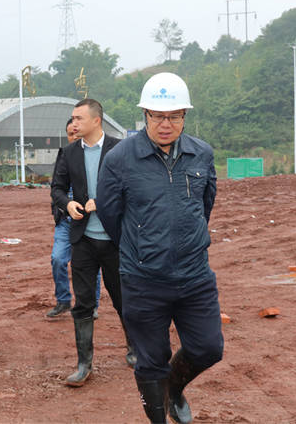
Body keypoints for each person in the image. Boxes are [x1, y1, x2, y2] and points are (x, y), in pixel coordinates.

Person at [97, 73, 223, 424]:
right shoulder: (120, 159)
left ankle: (175, 389)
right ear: (145, 115)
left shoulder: (201, 154)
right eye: (158, 116)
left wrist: (186, 241)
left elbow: (204, 206)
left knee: (208, 348)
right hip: (143, 280)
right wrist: (142, 247)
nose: (166, 124)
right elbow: (110, 214)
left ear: (185, 115)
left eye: (174, 116)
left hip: (194, 276)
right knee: (151, 361)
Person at [51, 98, 135, 388]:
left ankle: (135, 348)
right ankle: (84, 364)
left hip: (115, 240)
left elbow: (132, 188)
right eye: (72, 119)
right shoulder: (69, 152)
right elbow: (57, 188)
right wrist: (67, 203)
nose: (73, 123)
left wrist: (103, 201)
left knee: (123, 298)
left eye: (79, 118)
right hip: (83, 239)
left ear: (96, 120)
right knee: (83, 302)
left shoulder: (120, 149)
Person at [46, 118, 101, 319]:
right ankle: (63, 300)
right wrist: (62, 208)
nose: (74, 137)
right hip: (66, 221)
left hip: (89, 221)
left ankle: (91, 305)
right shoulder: (64, 155)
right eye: (70, 134)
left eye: (77, 133)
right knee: (58, 259)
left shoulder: (96, 156)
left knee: (91, 265)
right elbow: (56, 188)